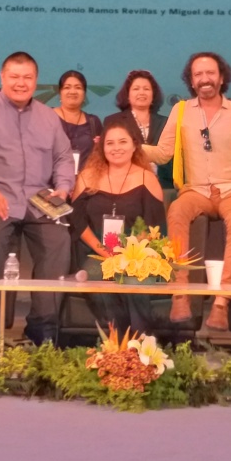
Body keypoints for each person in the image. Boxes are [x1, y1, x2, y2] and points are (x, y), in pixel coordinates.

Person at [141, 52, 231, 331]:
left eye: (210, 73)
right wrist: (130, 146)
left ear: (221, 77)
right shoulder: (180, 111)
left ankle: (222, 302)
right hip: (196, 190)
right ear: (190, 80)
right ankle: (180, 294)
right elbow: (163, 153)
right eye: (198, 74)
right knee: (176, 210)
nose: (204, 79)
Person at [0, 51, 76, 344]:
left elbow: (64, 156)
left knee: (59, 240)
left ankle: (43, 327)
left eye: (27, 78)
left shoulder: (47, 117)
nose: (20, 83)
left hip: (39, 199)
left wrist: (63, 188)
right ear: (2, 77)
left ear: (36, 81)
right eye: (14, 77)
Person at [70, 121, 167, 332]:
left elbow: (153, 226)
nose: (116, 148)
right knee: (97, 276)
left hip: (138, 254)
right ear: (102, 148)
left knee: (135, 279)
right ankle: (116, 344)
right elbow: (77, 222)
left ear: (134, 145)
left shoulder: (146, 178)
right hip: (95, 252)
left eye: (122, 142)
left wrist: (128, 255)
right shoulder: (87, 177)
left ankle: (140, 344)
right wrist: (104, 252)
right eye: (110, 143)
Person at [103, 69, 174, 189]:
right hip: (125, 185)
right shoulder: (113, 121)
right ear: (128, 95)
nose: (142, 92)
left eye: (146, 89)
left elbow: (171, 159)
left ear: (153, 95)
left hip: (163, 186)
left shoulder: (167, 122)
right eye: (136, 89)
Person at [53, 70, 103, 172]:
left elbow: (100, 157)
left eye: (78, 87)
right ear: (60, 93)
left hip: (86, 184)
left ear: (84, 94)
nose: (72, 92)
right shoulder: (47, 117)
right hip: (51, 183)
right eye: (67, 87)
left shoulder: (94, 121)